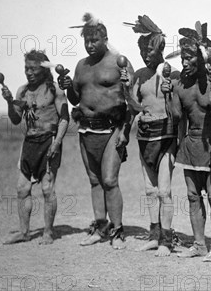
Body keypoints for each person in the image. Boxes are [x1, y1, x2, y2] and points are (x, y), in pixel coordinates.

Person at [59, 13, 134, 249]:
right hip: (86, 129)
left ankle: (118, 231)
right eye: (87, 42)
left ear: (105, 38)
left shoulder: (119, 62)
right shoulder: (81, 65)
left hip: (112, 128)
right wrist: (68, 86)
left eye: (95, 41)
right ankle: (101, 227)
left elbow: (131, 100)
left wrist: (125, 131)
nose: (91, 45)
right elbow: (75, 99)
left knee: (110, 180)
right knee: (95, 181)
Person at [162, 23, 211, 262]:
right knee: (193, 196)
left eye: (190, 57)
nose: (184, 62)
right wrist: (167, 94)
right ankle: (199, 244)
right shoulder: (180, 84)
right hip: (190, 144)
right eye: (182, 57)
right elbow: (176, 117)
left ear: (201, 59)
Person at [122, 15, 180, 256]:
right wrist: (126, 88)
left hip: (165, 135)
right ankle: (154, 235)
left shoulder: (171, 73)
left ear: (161, 49)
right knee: (150, 191)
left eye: (151, 50)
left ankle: (167, 240)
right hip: (144, 136)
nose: (147, 54)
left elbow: (178, 109)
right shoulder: (139, 76)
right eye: (143, 50)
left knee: (165, 191)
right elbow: (135, 107)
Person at [1, 49, 69, 245]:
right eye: (26, 69)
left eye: (33, 69)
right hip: (29, 143)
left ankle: (48, 232)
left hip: (49, 141)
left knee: (47, 189)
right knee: (22, 189)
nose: (29, 73)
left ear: (43, 70)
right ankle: (24, 232)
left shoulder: (54, 89)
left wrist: (56, 143)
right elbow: (15, 119)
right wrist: (8, 101)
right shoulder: (22, 91)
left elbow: (65, 117)